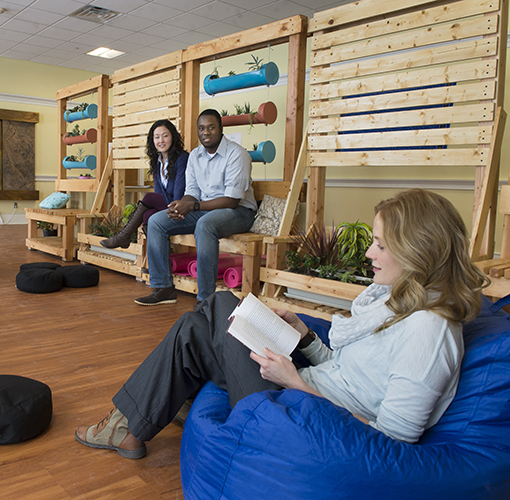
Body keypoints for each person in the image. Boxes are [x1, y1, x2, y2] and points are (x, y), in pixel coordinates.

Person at [75, 189, 489, 459]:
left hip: (307, 420)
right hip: (309, 392)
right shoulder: (400, 303)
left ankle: (131, 421)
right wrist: (305, 337)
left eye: (381, 245)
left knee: (219, 304)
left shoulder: (428, 332)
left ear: (417, 251)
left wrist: (296, 383)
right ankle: (131, 426)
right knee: (196, 328)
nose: (368, 254)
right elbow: (345, 372)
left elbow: (393, 442)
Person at [135, 109, 256, 306]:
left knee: (205, 225)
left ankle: (205, 300)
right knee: (157, 221)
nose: (206, 132)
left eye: (211, 127)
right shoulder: (195, 156)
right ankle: (163, 287)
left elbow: (232, 200)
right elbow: (192, 191)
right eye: (201, 128)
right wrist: (182, 204)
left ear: (220, 129)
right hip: (204, 210)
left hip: (238, 213)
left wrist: (193, 205)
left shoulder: (237, 154)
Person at [101, 120, 188, 249]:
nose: (161, 140)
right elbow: (159, 192)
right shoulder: (157, 161)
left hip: (181, 205)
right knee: (148, 215)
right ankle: (160, 259)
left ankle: (124, 236)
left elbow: (180, 191)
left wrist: (174, 207)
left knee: (148, 198)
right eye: (157, 137)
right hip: (167, 203)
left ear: (173, 137)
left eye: (165, 136)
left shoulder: (182, 158)